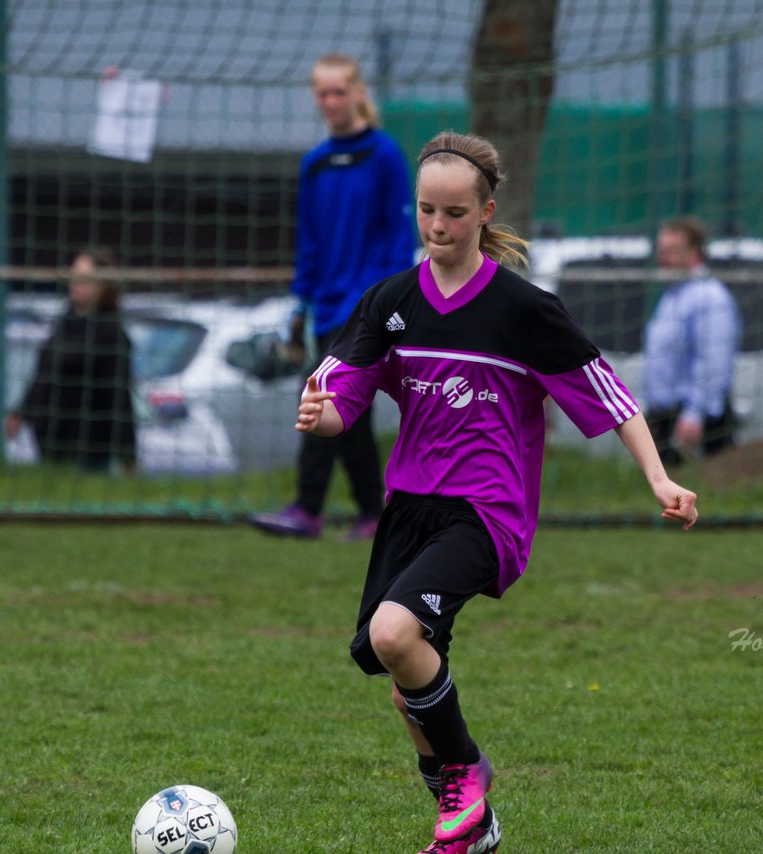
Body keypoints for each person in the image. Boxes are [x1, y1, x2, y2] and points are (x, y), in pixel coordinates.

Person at [291, 131, 699, 854]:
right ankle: (472, 828)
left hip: (486, 514)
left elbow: (612, 395)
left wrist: (659, 475)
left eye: (454, 212)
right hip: (409, 509)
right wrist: (323, 418)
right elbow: (340, 395)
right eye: (426, 211)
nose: (438, 227)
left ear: (485, 212)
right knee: (404, 678)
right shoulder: (390, 303)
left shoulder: (522, 310)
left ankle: (463, 776)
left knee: (395, 634)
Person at [249, 53, 416, 540]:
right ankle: (374, 514)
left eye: (339, 91)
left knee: (320, 396)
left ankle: (306, 508)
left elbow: (396, 236)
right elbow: (312, 241)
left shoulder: (384, 155)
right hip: (325, 306)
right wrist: (297, 303)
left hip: (365, 308)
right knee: (350, 414)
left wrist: (387, 302)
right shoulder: (315, 164)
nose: (330, 101)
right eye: (322, 93)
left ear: (359, 92)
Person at [5, 247, 136, 473]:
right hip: (50, 445)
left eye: (85, 278)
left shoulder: (111, 333)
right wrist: (21, 412)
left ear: (103, 285)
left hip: (87, 450)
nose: (76, 283)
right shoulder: (65, 322)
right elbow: (44, 373)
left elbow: (118, 399)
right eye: (73, 276)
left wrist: (128, 457)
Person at [642, 216, 741, 464]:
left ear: (695, 253)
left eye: (671, 251)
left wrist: (694, 414)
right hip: (668, 417)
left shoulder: (709, 295)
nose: (662, 258)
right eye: (661, 251)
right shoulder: (674, 293)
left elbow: (713, 360)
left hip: (694, 422)